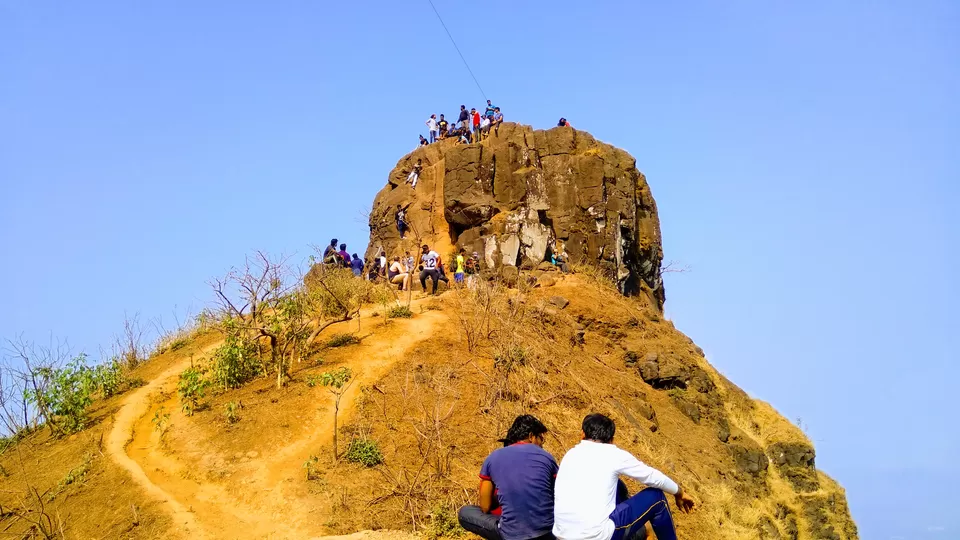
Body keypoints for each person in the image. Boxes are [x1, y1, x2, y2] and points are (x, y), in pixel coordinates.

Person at [553, 414, 695, 540]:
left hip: (562, 535)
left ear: (582, 434)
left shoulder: (569, 455)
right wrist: (679, 492)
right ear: (612, 440)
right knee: (656, 497)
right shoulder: (612, 454)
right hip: (597, 535)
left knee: (617, 487)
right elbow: (652, 477)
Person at [458, 415, 558, 540]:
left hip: (512, 534)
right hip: (547, 531)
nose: (541, 445)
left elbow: (485, 506)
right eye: (541, 439)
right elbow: (557, 495)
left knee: (465, 512)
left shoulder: (492, 458)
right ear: (532, 436)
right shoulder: (546, 457)